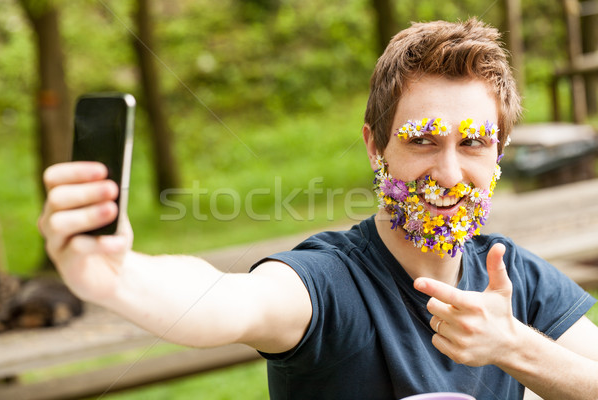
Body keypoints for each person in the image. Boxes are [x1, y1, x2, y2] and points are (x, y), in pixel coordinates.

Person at [38, 18, 598, 400]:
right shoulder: (327, 284)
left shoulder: (515, 278)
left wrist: (514, 345)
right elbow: (225, 302)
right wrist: (118, 275)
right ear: (376, 147)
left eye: (473, 143)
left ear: (499, 155)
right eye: (422, 141)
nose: (450, 173)